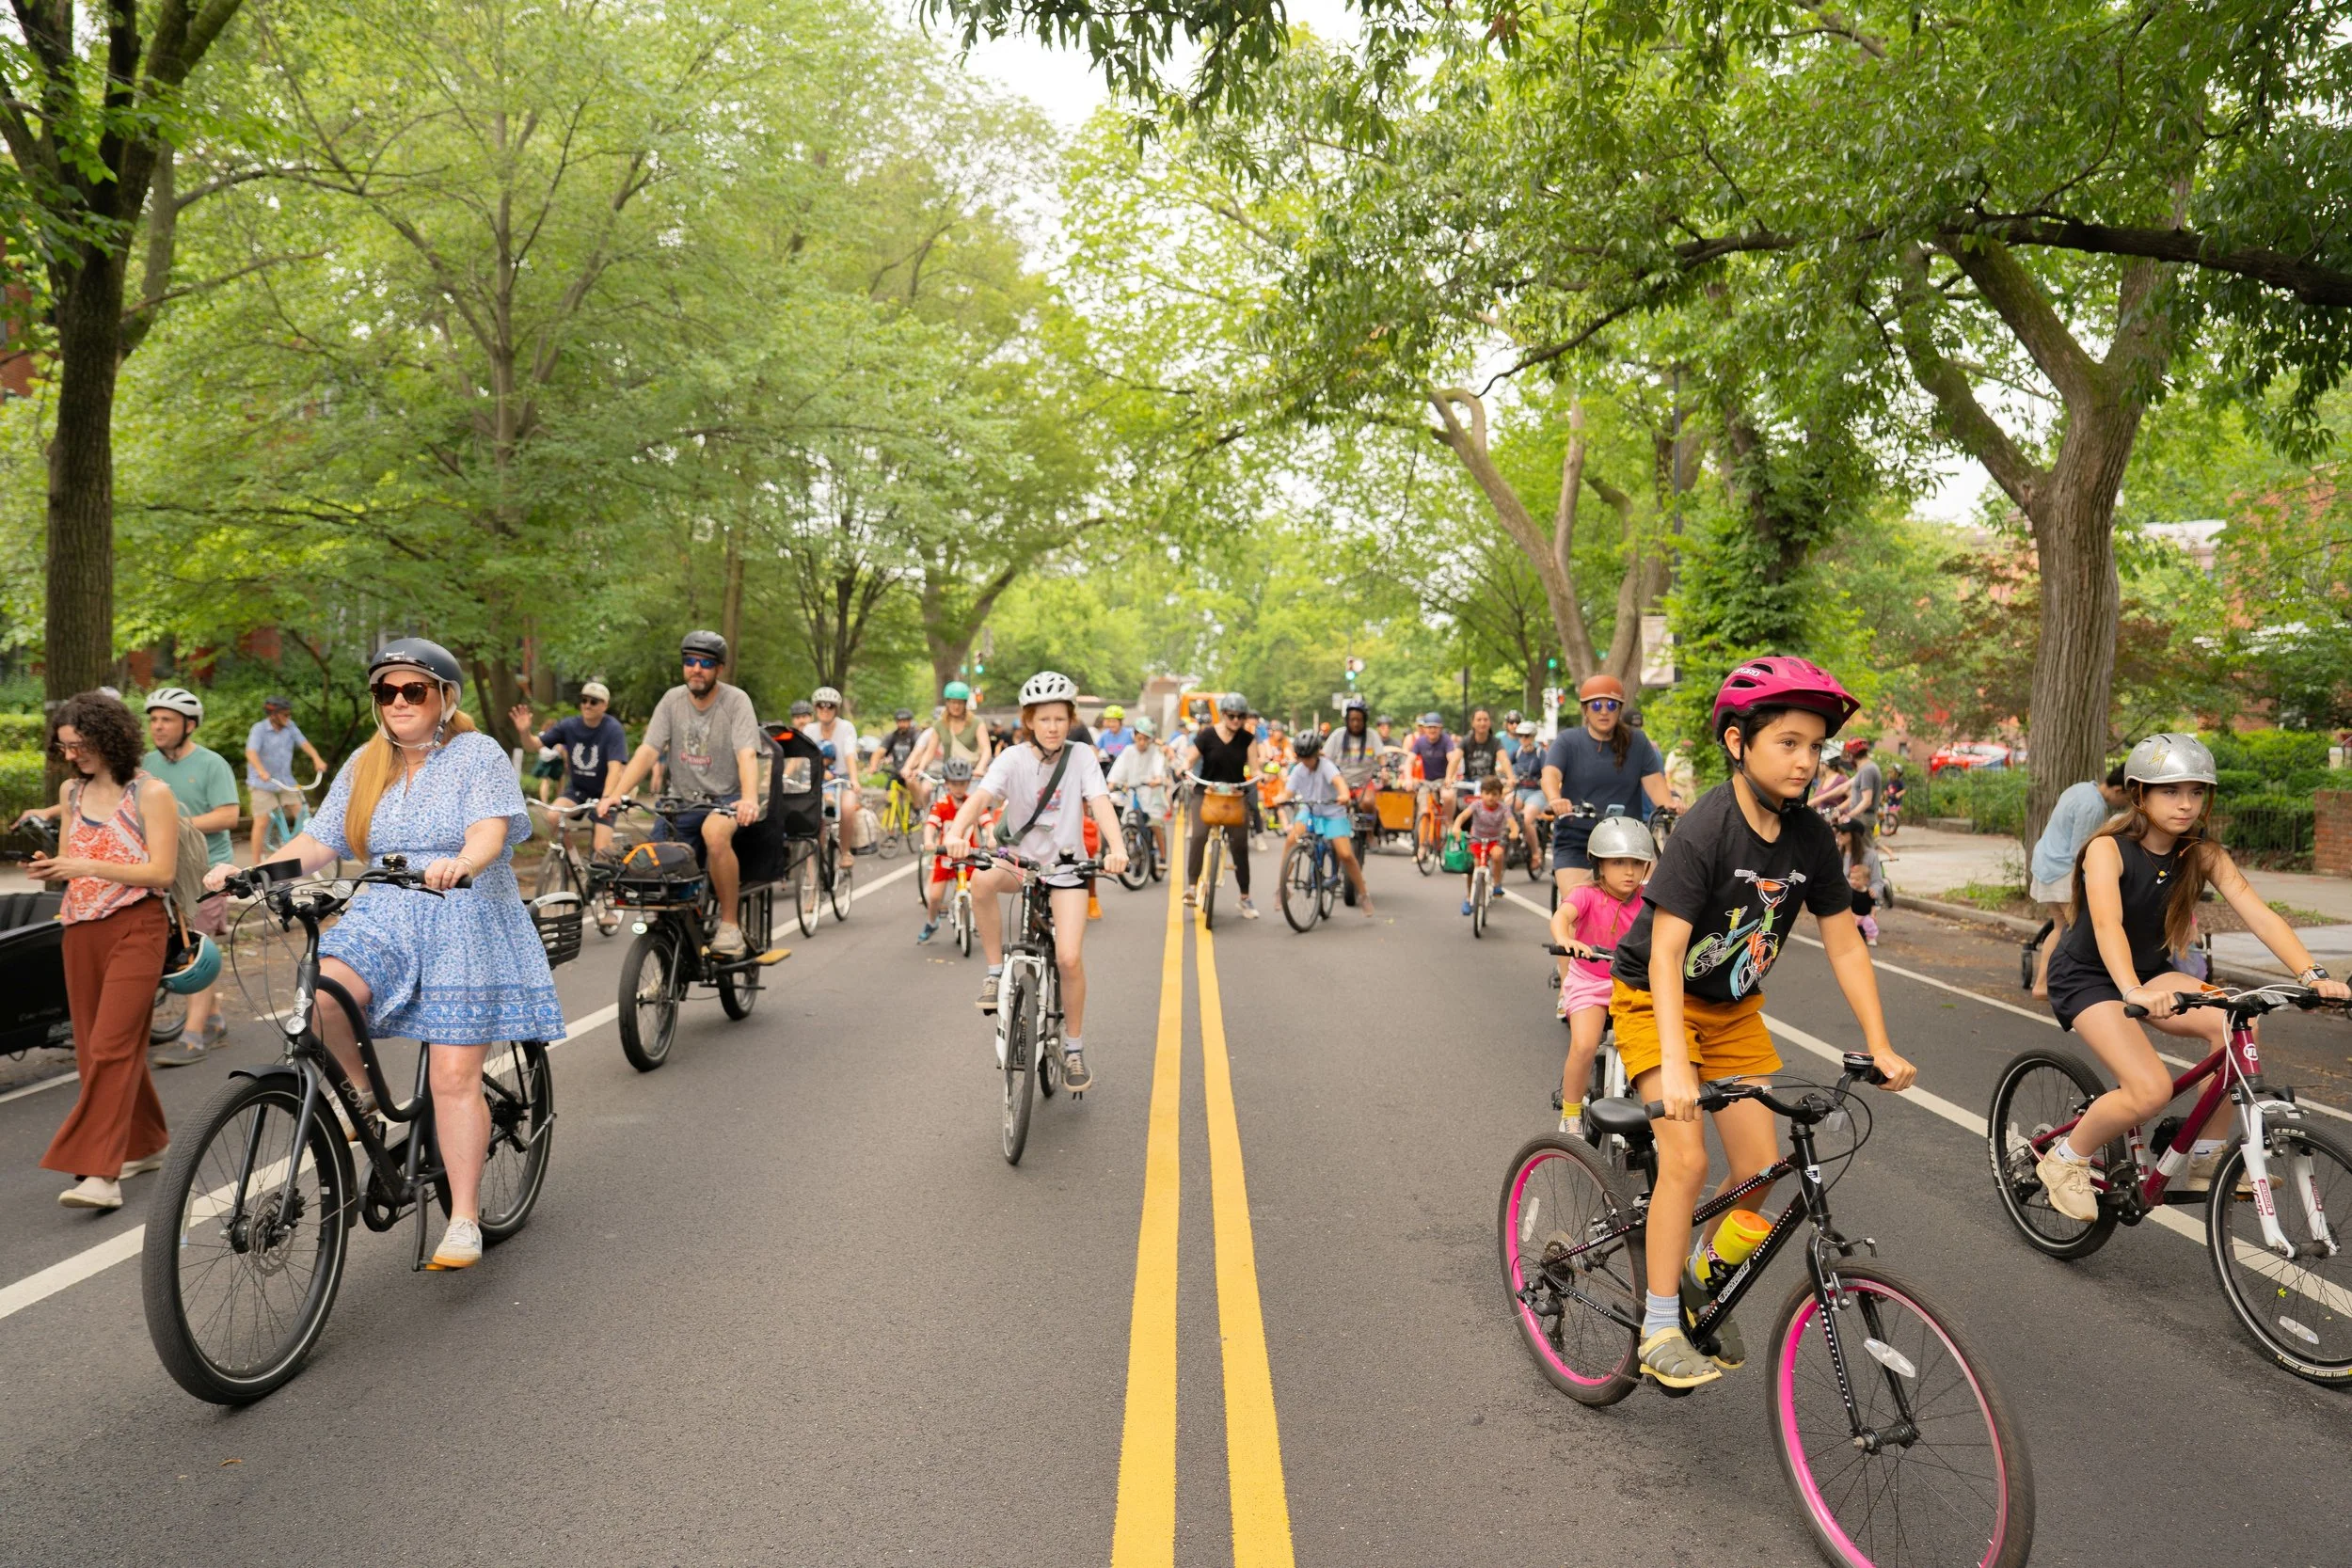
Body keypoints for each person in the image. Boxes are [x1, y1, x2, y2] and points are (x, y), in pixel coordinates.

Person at [203, 639, 563, 1270]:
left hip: (463, 911)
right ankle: (364, 1097)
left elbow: (489, 829)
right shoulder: (368, 763)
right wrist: (253, 872)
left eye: (413, 689)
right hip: (385, 910)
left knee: (453, 1076)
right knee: (318, 998)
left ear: (445, 698)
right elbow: (318, 842)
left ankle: (465, 1217)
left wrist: (464, 861)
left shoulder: (475, 754)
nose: (397, 701)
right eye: (385, 691)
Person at [1607, 656, 1915, 1388]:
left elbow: (1843, 941)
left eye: (1816, 746)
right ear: (1739, 743)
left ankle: (1698, 1273)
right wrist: (1677, 1065)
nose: (1806, 760)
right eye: (1788, 742)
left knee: (1762, 1167)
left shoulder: (1811, 838)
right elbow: (1667, 951)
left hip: (1734, 1009)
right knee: (1687, 1162)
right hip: (1658, 998)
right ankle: (1656, 1326)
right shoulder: (1706, 827)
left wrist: (1879, 1041)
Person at [2032, 734, 2350, 1222]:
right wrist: (2131, 991)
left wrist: (2313, 974)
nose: (2186, 805)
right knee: (2149, 1090)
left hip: (2151, 973)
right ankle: (2064, 1160)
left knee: (2238, 1024)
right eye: (2171, 791)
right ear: (2139, 794)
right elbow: (2106, 925)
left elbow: (2259, 915)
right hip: (2089, 977)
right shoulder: (2108, 850)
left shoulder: (2200, 852)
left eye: (2196, 792)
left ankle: (2207, 1157)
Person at [15, 693, 180, 1210]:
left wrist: (85, 868)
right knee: (97, 1049)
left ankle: (99, 1175)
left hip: (138, 927)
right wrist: (52, 867)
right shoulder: (71, 791)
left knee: (111, 1045)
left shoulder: (151, 794)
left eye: (79, 745)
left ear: (108, 737)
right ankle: (147, 1143)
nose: (72, 756)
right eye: (64, 748)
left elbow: (160, 874)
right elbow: (71, 856)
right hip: (80, 928)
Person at [944, 672, 1127, 1090]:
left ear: (1070, 720)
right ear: (1029, 720)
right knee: (981, 882)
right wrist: (955, 834)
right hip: (1021, 862)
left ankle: (1075, 1049)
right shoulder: (1012, 758)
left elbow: (1100, 803)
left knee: (1067, 958)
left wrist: (1116, 849)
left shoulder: (1080, 756)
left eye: (1060, 719)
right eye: (1044, 719)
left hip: (1067, 871)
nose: (1052, 727)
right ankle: (994, 972)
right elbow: (981, 798)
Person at [599, 630, 763, 958]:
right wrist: (616, 794)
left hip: (725, 799)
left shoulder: (735, 701)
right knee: (657, 869)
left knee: (714, 833)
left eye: (705, 662)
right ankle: (665, 952)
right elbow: (648, 751)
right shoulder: (672, 701)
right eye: (690, 661)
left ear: (719, 669)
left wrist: (749, 798)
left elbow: (747, 753)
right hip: (681, 801)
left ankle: (729, 924)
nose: (696, 669)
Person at [141, 688, 239, 1060]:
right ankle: (213, 1018)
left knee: (195, 951)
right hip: (164, 871)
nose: (158, 726)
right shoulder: (147, 763)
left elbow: (228, 816)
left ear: (189, 725)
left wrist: (173, 824)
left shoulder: (212, 764)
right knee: (180, 947)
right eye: (153, 719)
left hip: (207, 872)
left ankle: (194, 1036)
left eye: (166, 719)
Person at [1549, 816, 1654, 1132]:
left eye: (1637, 863)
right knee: (1584, 1044)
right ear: (1599, 865)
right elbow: (1562, 916)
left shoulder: (1649, 899)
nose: (1629, 871)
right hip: (1589, 982)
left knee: (1654, 1049)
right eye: (1619, 862)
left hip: (1633, 983)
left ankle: (1653, 1114)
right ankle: (1570, 1113)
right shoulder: (1586, 894)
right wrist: (1565, 938)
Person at [1542, 673, 1668, 898]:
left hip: (1627, 842)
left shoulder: (1637, 742)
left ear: (1619, 710)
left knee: (1652, 902)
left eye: (1611, 705)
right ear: (1585, 710)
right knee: (1576, 906)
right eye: (1596, 705)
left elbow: (1657, 785)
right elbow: (1550, 774)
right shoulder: (1568, 741)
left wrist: (1672, 806)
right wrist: (1555, 799)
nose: (1603, 711)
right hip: (1577, 839)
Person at [2025, 764, 2128, 998]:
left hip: (2046, 864)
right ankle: (2062, 983)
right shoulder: (2092, 807)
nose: (2126, 804)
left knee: (2062, 928)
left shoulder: (2081, 788)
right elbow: (2080, 852)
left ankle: (2042, 985)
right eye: (2128, 798)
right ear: (2119, 789)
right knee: (2078, 930)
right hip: (2062, 871)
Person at [508, 681, 628, 853]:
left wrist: (607, 798)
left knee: (602, 849)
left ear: (605, 705)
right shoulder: (569, 725)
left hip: (605, 793)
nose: (587, 705)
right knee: (553, 815)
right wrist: (525, 732)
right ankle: (570, 858)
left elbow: (615, 769)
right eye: (584, 700)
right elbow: (533, 746)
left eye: (593, 701)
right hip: (578, 789)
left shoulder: (613, 729)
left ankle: (606, 875)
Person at [1277, 729, 1372, 914]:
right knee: (1291, 840)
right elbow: (1288, 792)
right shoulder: (1298, 770)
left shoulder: (1327, 766)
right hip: (1310, 810)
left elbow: (1339, 783)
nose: (1306, 762)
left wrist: (1344, 795)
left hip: (1332, 812)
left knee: (1345, 854)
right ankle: (1281, 888)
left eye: (1309, 758)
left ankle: (1363, 893)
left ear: (1316, 754)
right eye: (1302, 758)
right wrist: (1279, 798)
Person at [1184, 692, 1263, 918]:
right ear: (1223, 714)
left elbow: (1254, 766)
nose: (1236, 721)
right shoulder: (1207, 735)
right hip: (1207, 792)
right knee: (1198, 835)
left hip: (1234, 795)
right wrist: (1185, 767)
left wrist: (1260, 775)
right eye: (1231, 715)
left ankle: (1245, 898)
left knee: (1240, 844)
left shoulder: (1247, 739)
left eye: (1240, 716)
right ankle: (1191, 887)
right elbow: (1191, 758)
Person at [245, 694, 326, 865]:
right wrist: (260, 770)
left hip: (285, 781)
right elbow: (251, 752)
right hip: (263, 783)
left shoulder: (290, 727)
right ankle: (255, 865)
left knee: (301, 813)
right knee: (261, 821)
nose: (288, 718)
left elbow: (304, 743)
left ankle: (302, 854)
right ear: (273, 715)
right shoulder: (259, 729)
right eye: (285, 715)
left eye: (289, 715)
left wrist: (316, 758)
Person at [917, 757, 989, 942]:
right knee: (934, 897)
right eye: (954, 784)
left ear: (968, 783)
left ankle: (979, 920)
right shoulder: (941, 804)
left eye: (963, 783)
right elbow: (931, 825)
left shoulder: (973, 802)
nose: (959, 788)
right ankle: (932, 922)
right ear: (947, 783)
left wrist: (992, 835)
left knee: (980, 891)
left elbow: (986, 821)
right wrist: (929, 842)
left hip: (969, 855)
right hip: (945, 857)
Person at [905, 680, 992, 811]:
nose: (956, 706)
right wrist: (920, 768)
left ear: (965, 704)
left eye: (960, 702)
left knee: (974, 808)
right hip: (949, 774)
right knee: (929, 794)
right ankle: (929, 821)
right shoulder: (940, 724)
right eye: (952, 702)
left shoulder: (976, 723)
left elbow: (986, 750)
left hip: (971, 774)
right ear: (947, 703)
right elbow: (930, 752)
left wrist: (979, 768)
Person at [804, 686, 862, 875]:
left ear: (836, 709)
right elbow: (801, 757)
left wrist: (854, 780)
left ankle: (845, 852)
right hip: (816, 780)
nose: (825, 710)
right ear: (815, 708)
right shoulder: (809, 729)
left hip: (842, 779)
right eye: (821, 706)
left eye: (830, 706)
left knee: (847, 808)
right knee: (811, 819)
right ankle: (811, 878)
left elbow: (849, 754)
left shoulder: (846, 727)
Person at [1106, 718, 1172, 865]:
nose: (1141, 742)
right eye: (1139, 738)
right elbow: (1117, 772)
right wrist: (1110, 785)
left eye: (1145, 739)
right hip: (1133, 796)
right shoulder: (1128, 751)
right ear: (1134, 737)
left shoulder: (1156, 752)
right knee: (1128, 821)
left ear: (1150, 739)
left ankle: (1162, 857)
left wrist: (1156, 780)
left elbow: (1158, 770)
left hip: (1152, 796)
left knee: (1155, 824)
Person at [1449, 773, 1514, 916]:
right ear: (1481, 794)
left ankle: (1496, 884)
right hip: (1477, 840)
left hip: (1494, 840)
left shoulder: (1503, 808)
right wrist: (1456, 827)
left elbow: (1512, 823)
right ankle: (1469, 897)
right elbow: (1463, 816)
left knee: (1498, 855)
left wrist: (1514, 831)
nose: (1490, 797)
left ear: (1500, 795)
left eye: (1495, 794)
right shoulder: (1476, 805)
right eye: (1487, 793)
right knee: (1474, 866)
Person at [1509, 719, 1549, 850]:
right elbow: (1505, 766)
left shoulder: (1540, 753)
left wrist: (1544, 783)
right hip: (1520, 790)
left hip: (1536, 792)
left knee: (1526, 820)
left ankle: (1535, 853)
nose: (1523, 739)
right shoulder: (1517, 752)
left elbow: (1547, 773)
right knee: (1506, 810)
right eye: (1520, 735)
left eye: (1526, 736)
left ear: (1532, 737)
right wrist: (1508, 777)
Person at [876, 707, 920, 782]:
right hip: (896, 772)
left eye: (904, 721)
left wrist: (911, 767)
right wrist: (873, 766)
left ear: (910, 721)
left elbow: (919, 753)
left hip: (912, 773)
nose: (902, 724)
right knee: (889, 791)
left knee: (912, 784)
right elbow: (880, 751)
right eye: (899, 721)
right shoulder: (892, 736)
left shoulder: (916, 735)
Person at [1847, 862, 1880, 945]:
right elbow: (1847, 904)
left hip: (1865, 916)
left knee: (1870, 924)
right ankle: (1850, 938)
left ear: (1866, 880)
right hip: (1853, 915)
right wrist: (1851, 914)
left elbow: (1873, 904)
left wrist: (1873, 914)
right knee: (1850, 926)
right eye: (1852, 879)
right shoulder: (1850, 892)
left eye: (1857, 879)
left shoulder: (1869, 892)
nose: (1853, 881)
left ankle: (1871, 937)